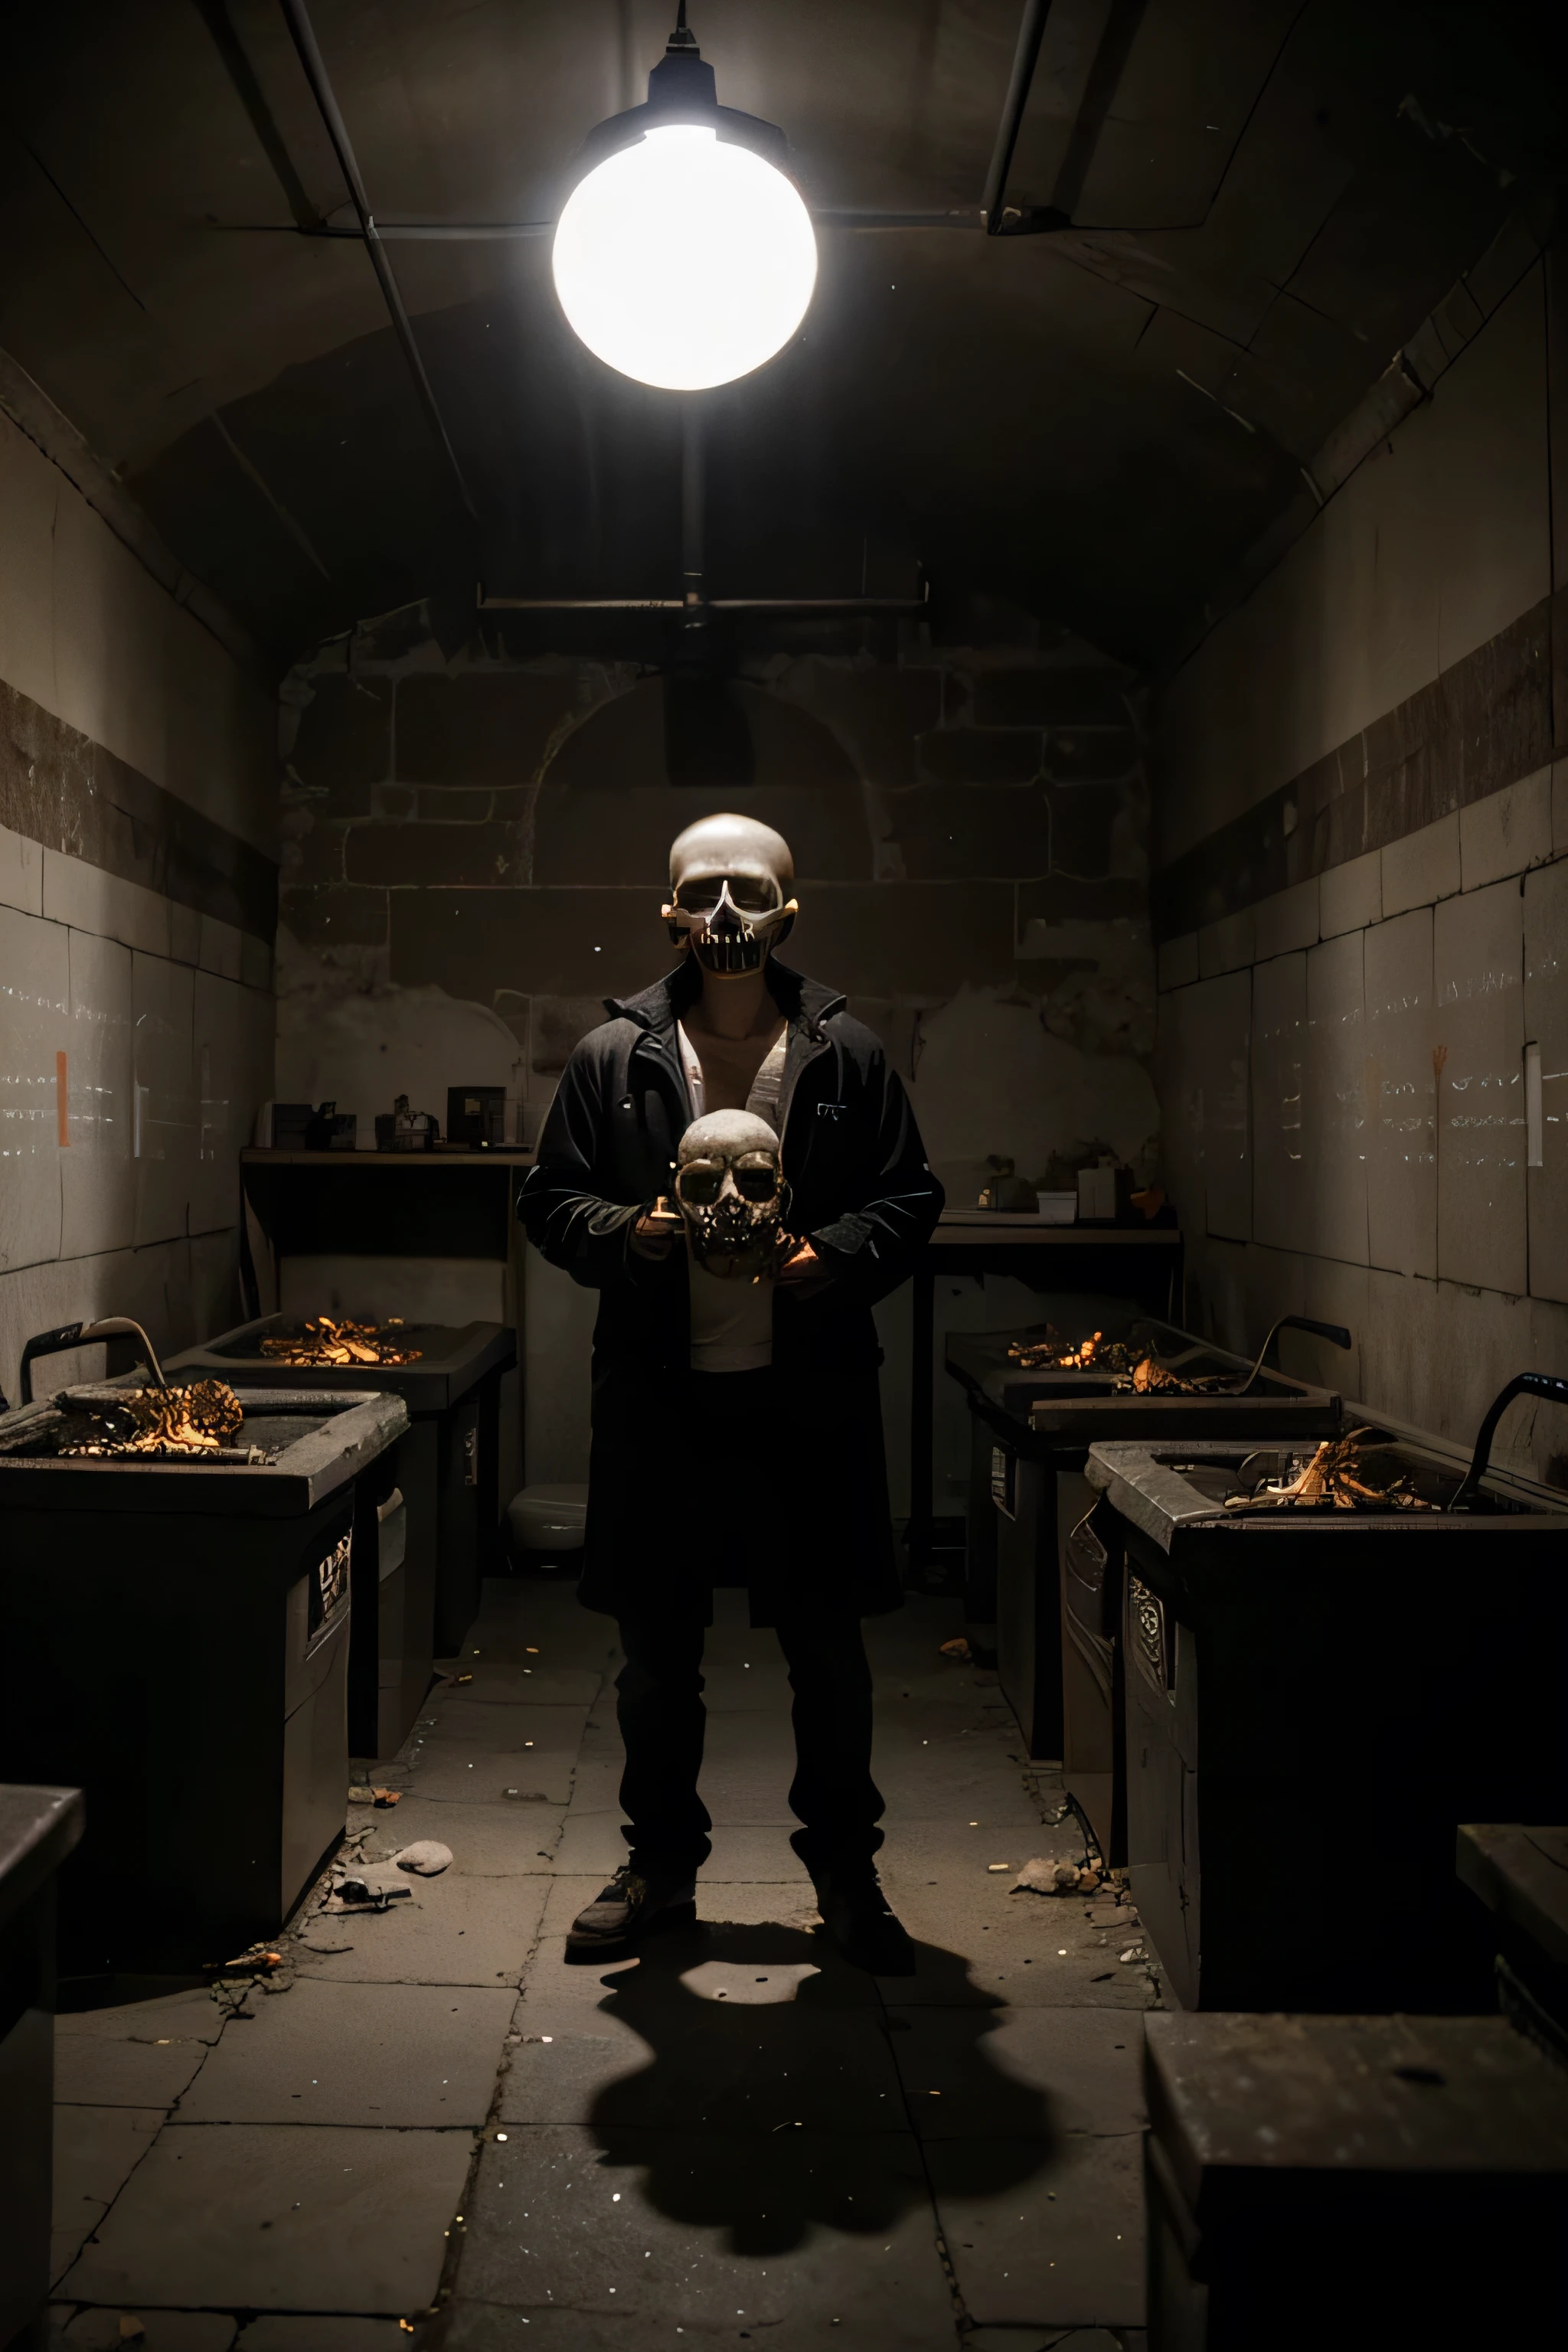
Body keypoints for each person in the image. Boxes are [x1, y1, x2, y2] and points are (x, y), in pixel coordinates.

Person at [519, 812, 944, 1971]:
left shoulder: (845, 1054)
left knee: (828, 1654)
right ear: (667, 913)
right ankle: (660, 1871)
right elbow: (547, 1200)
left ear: (788, 914)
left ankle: (848, 1879)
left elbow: (911, 1200)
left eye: (747, 897)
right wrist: (634, 1233)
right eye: (699, 896)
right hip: (664, 1402)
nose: (722, 920)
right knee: (659, 1661)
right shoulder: (616, 1059)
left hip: (806, 1403)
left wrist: (832, 1257)